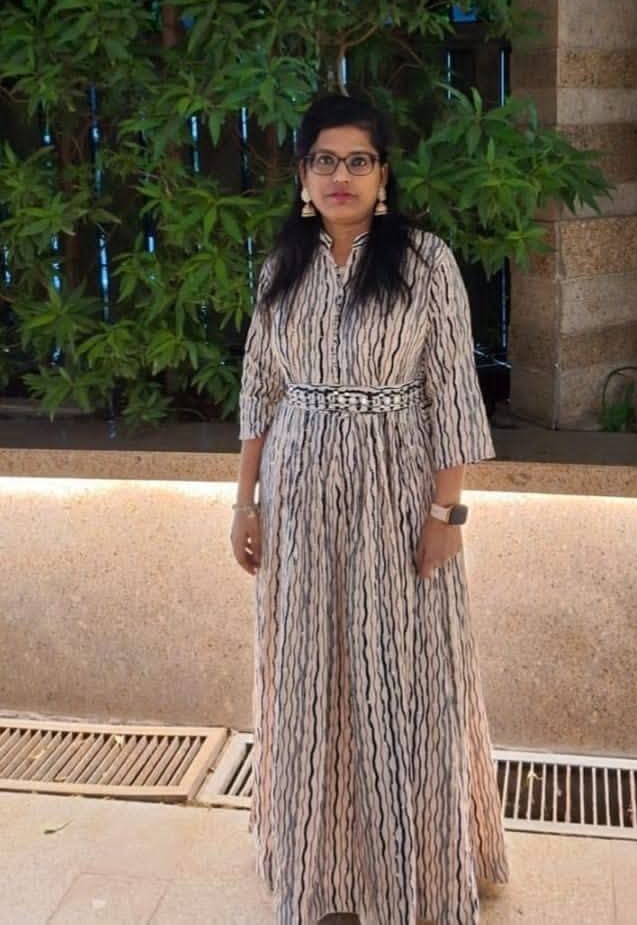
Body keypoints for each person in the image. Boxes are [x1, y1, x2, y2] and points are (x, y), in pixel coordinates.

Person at [230, 94, 509, 925]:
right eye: (325, 159)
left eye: (358, 160)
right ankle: (321, 870)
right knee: (309, 673)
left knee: (404, 672)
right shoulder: (280, 267)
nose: (340, 175)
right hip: (299, 490)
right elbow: (258, 388)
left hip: (397, 487)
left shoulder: (425, 262)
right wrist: (243, 501)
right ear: (302, 174)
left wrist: (446, 513)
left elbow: (452, 391)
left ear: (383, 174)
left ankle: (411, 871)